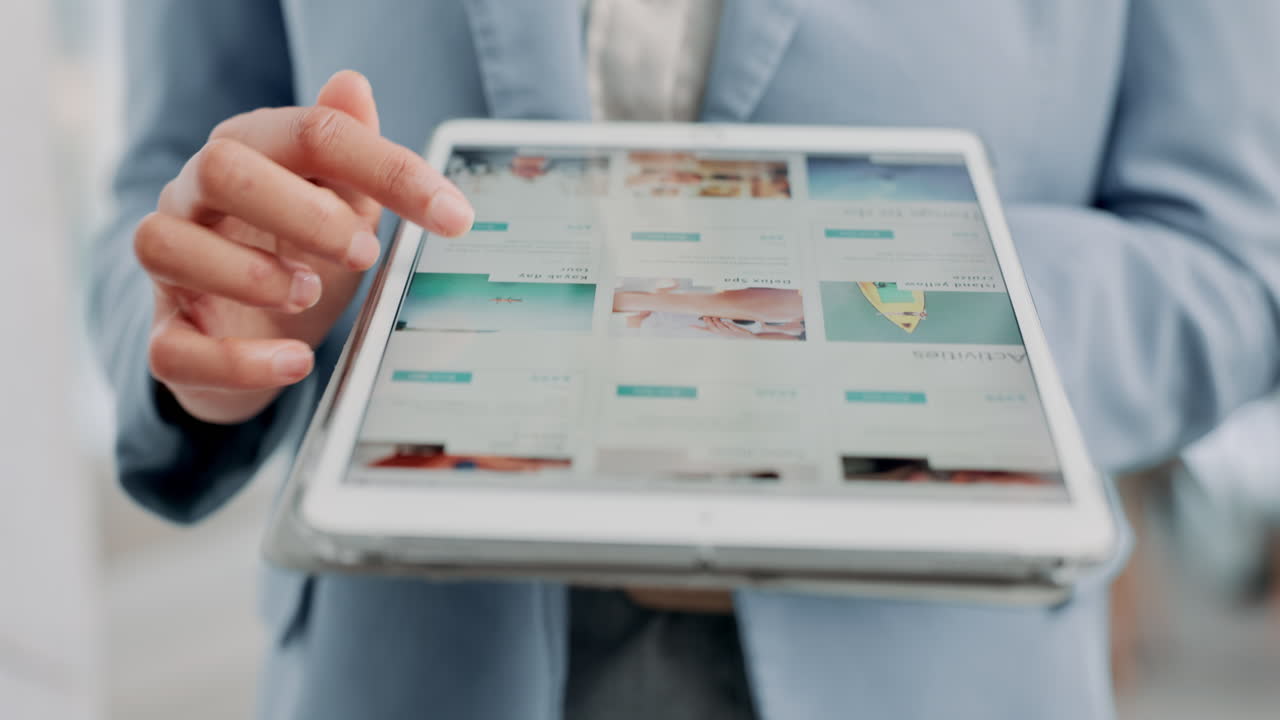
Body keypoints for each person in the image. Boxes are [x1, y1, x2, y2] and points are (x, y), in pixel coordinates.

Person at [90, 2, 1280, 719]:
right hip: (412, 668)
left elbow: (1232, 260)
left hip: (926, 670)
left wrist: (882, 302)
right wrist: (217, 320)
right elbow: (151, 202)